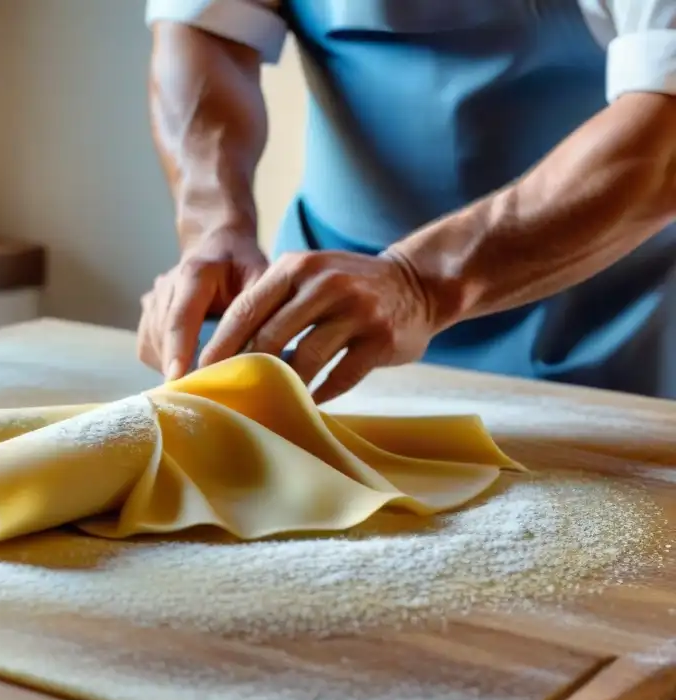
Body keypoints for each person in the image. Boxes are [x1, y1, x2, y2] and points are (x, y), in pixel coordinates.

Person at [136, 0, 676, 403]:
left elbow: (665, 129)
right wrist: (214, 225)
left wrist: (418, 285)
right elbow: (206, 28)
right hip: (326, 335)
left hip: (607, 339)